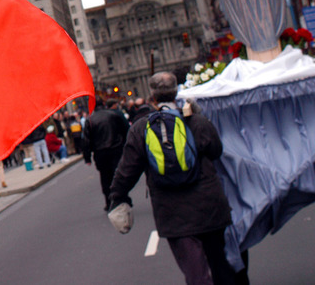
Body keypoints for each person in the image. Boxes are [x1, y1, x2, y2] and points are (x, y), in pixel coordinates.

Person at [109, 72, 235, 284]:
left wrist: (118, 196)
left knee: (197, 274)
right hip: (209, 205)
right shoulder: (198, 121)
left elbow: (127, 169)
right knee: (220, 264)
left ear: (153, 96)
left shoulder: (142, 128)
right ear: (177, 92)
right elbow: (216, 151)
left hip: (173, 212)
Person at [83, 98, 130, 210]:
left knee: (105, 177)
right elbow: (126, 130)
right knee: (118, 174)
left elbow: (86, 141)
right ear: (104, 104)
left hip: (100, 153)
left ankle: (109, 201)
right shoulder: (113, 115)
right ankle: (122, 198)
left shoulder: (90, 120)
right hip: (116, 149)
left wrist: (87, 157)